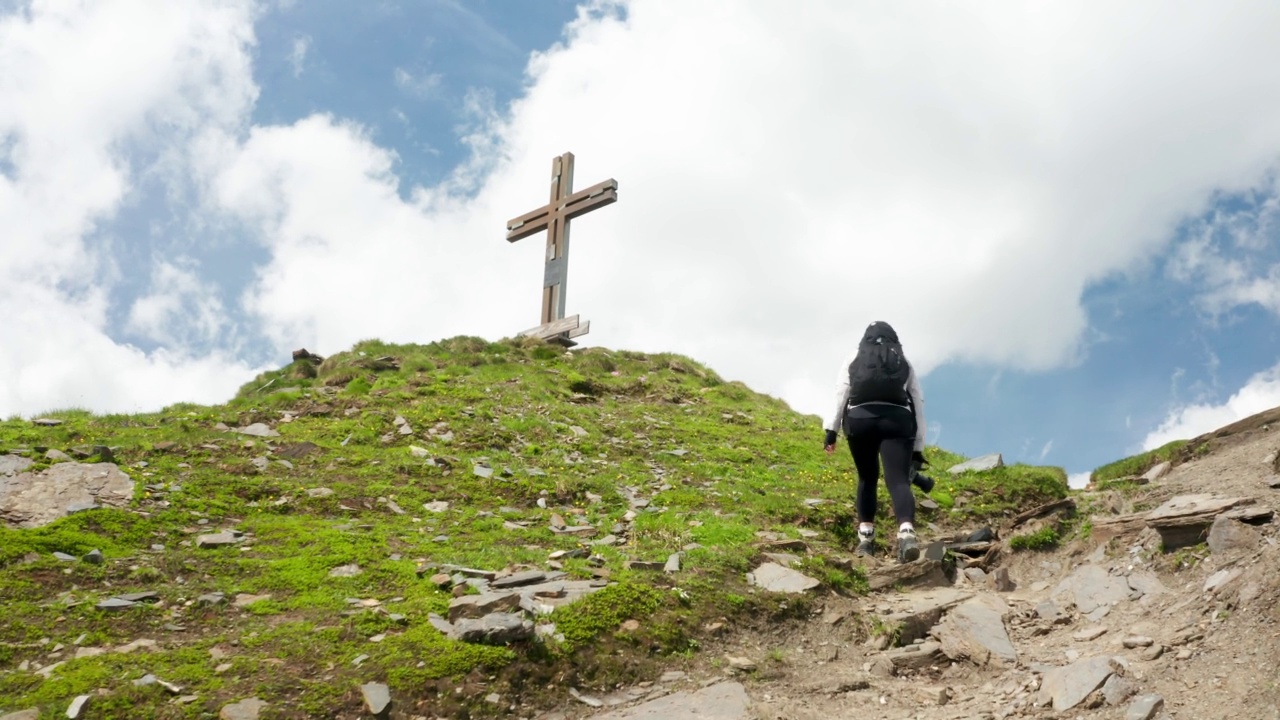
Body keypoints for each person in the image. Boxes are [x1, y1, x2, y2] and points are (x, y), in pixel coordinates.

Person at [823, 321, 928, 563]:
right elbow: (918, 403)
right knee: (899, 481)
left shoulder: (854, 357)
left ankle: (866, 540)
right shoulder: (903, 361)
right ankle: (906, 533)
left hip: (860, 420)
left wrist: (831, 430)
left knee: (867, 477)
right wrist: (918, 447)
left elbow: (841, 393)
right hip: (897, 421)